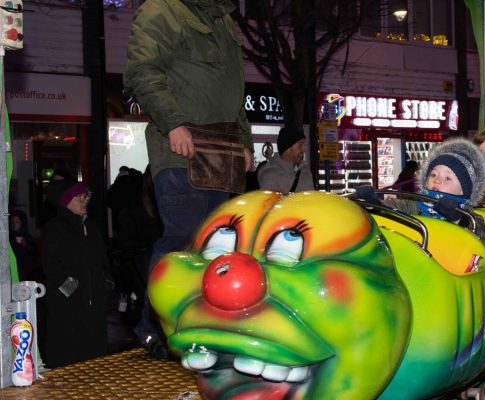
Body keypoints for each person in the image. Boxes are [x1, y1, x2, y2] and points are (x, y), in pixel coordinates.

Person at [124, 0, 254, 358]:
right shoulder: (161, 8)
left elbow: (234, 90)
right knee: (182, 240)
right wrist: (174, 123)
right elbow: (142, 71)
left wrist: (243, 141)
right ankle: (155, 329)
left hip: (222, 150)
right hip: (182, 146)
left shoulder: (222, 17)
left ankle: (202, 326)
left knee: (217, 246)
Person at [357, 137, 485, 238]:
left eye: (447, 178)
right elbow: (396, 207)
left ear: (464, 191)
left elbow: (479, 233)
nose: (437, 179)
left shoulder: (467, 212)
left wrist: (458, 218)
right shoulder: (418, 205)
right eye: (433, 174)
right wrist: (375, 204)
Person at [41, 180, 109, 368]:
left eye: (86, 197)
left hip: (94, 301)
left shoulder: (92, 228)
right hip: (69, 305)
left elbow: (103, 261)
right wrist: (70, 290)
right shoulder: (55, 228)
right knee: (70, 353)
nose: (84, 200)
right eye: (79, 197)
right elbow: (51, 264)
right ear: (66, 201)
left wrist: (106, 283)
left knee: (94, 356)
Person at [257, 127, 316, 193]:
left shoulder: (306, 172)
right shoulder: (270, 175)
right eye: (300, 145)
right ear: (287, 148)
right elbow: (272, 202)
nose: (303, 149)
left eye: (304, 145)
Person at [9, 210, 39, 283]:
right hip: (11, 268)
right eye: (12, 222)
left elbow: (34, 251)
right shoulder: (9, 236)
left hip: (24, 269)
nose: (14, 224)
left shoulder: (27, 237)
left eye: (17, 222)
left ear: (22, 223)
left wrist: (25, 244)